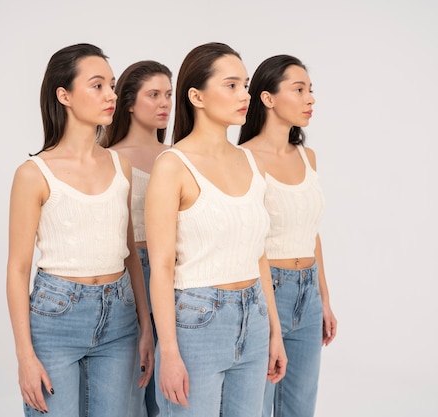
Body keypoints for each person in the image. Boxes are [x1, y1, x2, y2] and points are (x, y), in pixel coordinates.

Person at [6, 43, 154, 417]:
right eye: (97, 85)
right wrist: (25, 356)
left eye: (113, 85)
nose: (111, 95)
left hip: (119, 319)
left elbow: (130, 255)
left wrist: (145, 327)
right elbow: (18, 269)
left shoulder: (120, 166)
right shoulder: (33, 174)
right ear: (64, 95)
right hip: (57, 318)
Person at [144, 42, 287, 417]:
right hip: (197, 324)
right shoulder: (172, 166)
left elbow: (259, 255)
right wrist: (169, 352)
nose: (245, 95)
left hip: (253, 317)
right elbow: (160, 268)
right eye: (232, 85)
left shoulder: (250, 162)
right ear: (196, 96)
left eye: (246, 85)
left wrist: (274, 333)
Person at [238, 54, 338, 417]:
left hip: (307, 293)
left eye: (310, 90)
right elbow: (249, 243)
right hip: (266, 291)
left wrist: (324, 299)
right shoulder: (243, 160)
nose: (310, 99)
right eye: (299, 90)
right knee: (258, 406)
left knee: (300, 407)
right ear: (267, 98)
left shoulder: (307, 157)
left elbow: (312, 234)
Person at [101, 59, 173, 417]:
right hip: (131, 273)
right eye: (154, 95)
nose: (165, 103)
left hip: (175, 272)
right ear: (128, 102)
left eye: (169, 95)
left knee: (170, 382)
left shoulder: (177, 157)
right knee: (133, 381)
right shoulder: (110, 159)